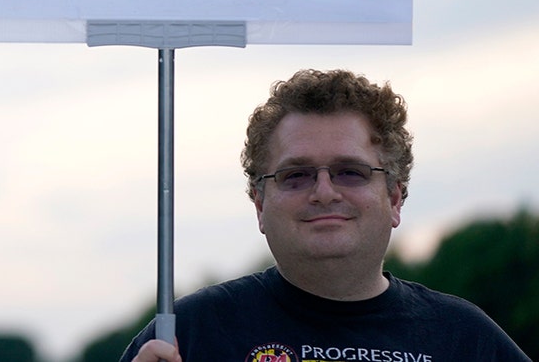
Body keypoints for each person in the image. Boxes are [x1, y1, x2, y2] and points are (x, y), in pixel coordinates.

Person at [120, 68, 530, 362]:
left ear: (395, 198)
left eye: (349, 172)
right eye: (295, 175)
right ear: (260, 204)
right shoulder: (188, 335)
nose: (323, 192)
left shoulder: (465, 339)